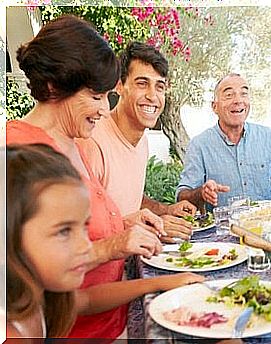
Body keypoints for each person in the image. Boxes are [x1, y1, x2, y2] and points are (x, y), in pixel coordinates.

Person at [5, 15, 168, 338]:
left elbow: (83, 229)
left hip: (111, 323)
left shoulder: (74, 141)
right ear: (53, 87)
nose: (106, 110)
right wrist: (113, 246)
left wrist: (127, 222)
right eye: (95, 97)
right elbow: (22, 277)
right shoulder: (18, 150)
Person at [6, 144, 204, 338]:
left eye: (84, 227)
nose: (85, 245)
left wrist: (159, 282)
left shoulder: (40, 298)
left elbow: (87, 300)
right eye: (64, 231)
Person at [78, 41, 195, 243]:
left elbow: (128, 201)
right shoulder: (92, 142)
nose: (152, 96)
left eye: (160, 87)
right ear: (120, 86)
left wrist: (165, 210)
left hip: (132, 260)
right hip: (103, 272)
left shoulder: (142, 142)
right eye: (142, 83)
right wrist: (152, 228)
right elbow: (79, 231)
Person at [176, 73, 271, 210]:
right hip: (225, 229)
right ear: (214, 107)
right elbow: (182, 195)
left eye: (243, 93)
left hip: (268, 224)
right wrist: (201, 193)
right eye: (229, 95)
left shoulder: (268, 136)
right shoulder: (199, 145)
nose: (238, 100)